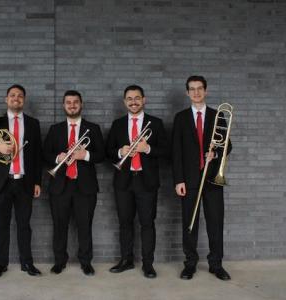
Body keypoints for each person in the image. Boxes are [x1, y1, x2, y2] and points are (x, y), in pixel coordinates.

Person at [0, 84, 42, 278]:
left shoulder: (33, 123)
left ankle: (27, 263)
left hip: (24, 182)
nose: (16, 98)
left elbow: (37, 155)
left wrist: (37, 182)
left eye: (20, 96)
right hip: (1, 183)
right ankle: (1, 264)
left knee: (24, 225)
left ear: (24, 100)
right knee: (2, 225)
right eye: (12, 95)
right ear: (6, 99)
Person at [172, 75, 232, 281]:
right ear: (187, 93)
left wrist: (214, 154)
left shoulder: (218, 115)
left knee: (215, 223)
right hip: (189, 180)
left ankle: (216, 264)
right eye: (192, 89)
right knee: (190, 223)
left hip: (213, 179)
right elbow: (176, 152)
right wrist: (178, 180)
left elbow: (228, 145)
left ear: (205, 91)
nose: (196, 92)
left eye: (200, 88)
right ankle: (190, 264)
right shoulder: (180, 118)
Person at [106, 85, 168, 278]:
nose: (133, 102)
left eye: (137, 98)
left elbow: (166, 152)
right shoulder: (117, 124)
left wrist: (147, 149)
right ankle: (126, 260)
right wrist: (120, 152)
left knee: (147, 223)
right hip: (123, 181)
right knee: (125, 223)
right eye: (129, 99)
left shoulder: (156, 123)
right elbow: (108, 152)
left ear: (144, 100)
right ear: (125, 102)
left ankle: (148, 264)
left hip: (146, 181)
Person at [43, 90, 105, 276]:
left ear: (81, 104)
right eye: (68, 102)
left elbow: (102, 155)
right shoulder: (55, 129)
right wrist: (57, 157)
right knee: (59, 225)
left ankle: (86, 262)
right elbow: (44, 154)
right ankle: (59, 261)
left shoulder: (92, 128)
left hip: (84, 187)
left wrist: (84, 155)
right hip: (60, 185)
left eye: (75, 102)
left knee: (85, 225)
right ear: (64, 105)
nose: (72, 105)